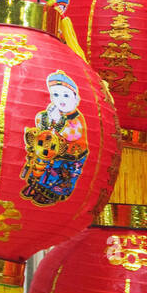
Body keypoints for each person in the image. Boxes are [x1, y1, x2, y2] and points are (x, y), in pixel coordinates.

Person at [21, 72, 89, 205]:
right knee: (40, 169)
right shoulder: (52, 112)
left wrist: (58, 120)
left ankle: (51, 194)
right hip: (48, 150)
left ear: (76, 98)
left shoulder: (75, 118)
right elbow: (41, 123)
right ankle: (35, 188)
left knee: (57, 175)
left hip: (68, 155)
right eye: (56, 95)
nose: (61, 100)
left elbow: (73, 134)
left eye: (66, 95)